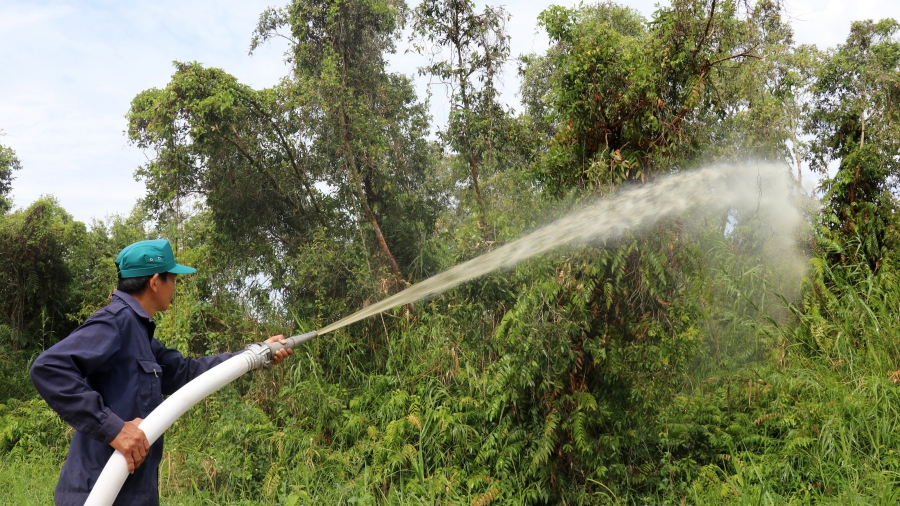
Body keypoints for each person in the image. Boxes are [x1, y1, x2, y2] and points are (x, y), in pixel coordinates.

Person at [30, 239, 293, 506]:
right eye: (174, 279)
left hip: (132, 492)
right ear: (155, 282)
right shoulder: (116, 323)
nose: (175, 287)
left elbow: (187, 372)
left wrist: (256, 354)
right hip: (98, 491)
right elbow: (48, 368)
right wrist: (114, 428)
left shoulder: (139, 334)